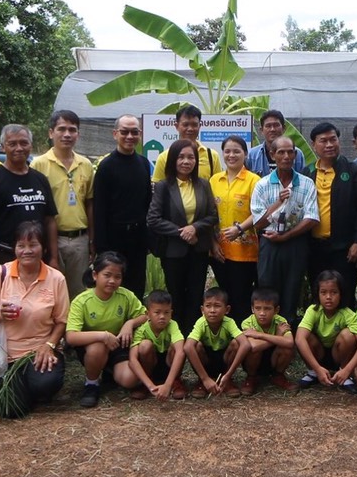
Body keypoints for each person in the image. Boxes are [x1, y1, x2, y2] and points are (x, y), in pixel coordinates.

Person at [0, 220, 71, 418]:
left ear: (43, 248)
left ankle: (33, 388)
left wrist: (49, 345)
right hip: (5, 353)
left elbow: (62, 321)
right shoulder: (0, 273)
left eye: (33, 245)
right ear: (14, 248)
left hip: (40, 350)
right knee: (9, 409)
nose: (26, 251)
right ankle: (20, 389)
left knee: (45, 384)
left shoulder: (56, 279)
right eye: (21, 245)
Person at [147, 138, 220, 333]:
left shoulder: (203, 184)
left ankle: (193, 335)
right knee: (176, 294)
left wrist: (195, 227)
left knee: (196, 294)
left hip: (199, 249)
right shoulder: (163, 186)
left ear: (196, 161)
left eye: (190, 157)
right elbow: (153, 219)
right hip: (173, 251)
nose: (186, 161)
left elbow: (213, 216)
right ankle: (176, 336)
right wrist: (183, 232)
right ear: (173, 160)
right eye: (181, 157)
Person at [0, 124, 58, 287]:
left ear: (30, 145)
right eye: (12, 144)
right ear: (3, 147)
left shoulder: (40, 179)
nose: (19, 148)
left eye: (24, 143)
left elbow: (50, 221)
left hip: (38, 257)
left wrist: (53, 257)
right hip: (3, 257)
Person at [249, 137, 319, 324]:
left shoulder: (306, 184)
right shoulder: (262, 185)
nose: (286, 156)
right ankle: (266, 331)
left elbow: (312, 218)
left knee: (292, 288)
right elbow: (258, 223)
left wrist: (286, 236)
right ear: (272, 155)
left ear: (295, 155)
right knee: (267, 289)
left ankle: (287, 333)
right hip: (269, 243)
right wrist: (277, 203)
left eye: (290, 152)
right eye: (281, 152)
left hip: (296, 243)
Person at [63, 251, 145, 408]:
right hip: (93, 348)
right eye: (107, 275)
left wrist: (130, 323)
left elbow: (145, 316)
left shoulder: (125, 296)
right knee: (97, 347)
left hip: (118, 346)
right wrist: (102, 335)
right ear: (95, 275)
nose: (112, 281)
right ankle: (91, 384)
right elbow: (71, 337)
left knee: (129, 380)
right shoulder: (82, 301)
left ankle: (109, 371)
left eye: (117, 277)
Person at [307, 122, 357, 307]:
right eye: (323, 141)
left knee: (344, 292)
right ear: (314, 145)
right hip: (315, 248)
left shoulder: (353, 171)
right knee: (318, 294)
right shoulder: (308, 172)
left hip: (344, 248)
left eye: (333, 139)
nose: (329, 145)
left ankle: (346, 334)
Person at [32, 109, 95, 298]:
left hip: (80, 240)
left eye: (72, 130)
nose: (67, 134)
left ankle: (74, 328)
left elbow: (90, 204)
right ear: (51, 133)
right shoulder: (39, 164)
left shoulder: (85, 165)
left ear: (78, 134)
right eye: (61, 129)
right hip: (52, 239)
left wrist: (92, 241)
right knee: (51, 292)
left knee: (78, 293)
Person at [93, 115, 154, 296]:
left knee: (136, 285)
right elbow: (99, 209)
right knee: (113, 285)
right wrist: (101, 246)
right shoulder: (106, 166)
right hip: (113, 238)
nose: (129, 136)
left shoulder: (143, 163)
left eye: (134, 132)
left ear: (140, 134)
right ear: (115, 134)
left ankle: (134, 323)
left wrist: (148, 238)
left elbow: (147, 203)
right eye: (124, 132)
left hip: (138, 238)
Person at [211, 135, 261, 323]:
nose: (231, 155)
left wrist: (240, 229)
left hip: (245, 252)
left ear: (245, 154)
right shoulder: (214, 180)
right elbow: (208, 215)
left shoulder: (254, 180)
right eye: (227, 151)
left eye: (236, 151)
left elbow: (260, 212)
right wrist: (212, 243)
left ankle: (244, 338)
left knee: (242, 297)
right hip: (219, 252)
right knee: (225, 296)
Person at [294, 270, 357, 392]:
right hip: (319, 353)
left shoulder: (347, 313)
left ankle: (343, 373)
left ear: (341, 294)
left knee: (348, 335)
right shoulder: (313, 310)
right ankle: (313, 372)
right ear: (317, 294)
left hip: (338, 354)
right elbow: (299, 339)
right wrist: (317, 368)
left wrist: (349, 369)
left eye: (334, 292)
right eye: (323, 292)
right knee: (303, 335)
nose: (328, 297)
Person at [122, 290, 187, 400]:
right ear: (148, 314)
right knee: (144, 345)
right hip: (151, 365)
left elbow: (180, 352)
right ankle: (146, 383)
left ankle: (175, 381)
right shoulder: (141, 330)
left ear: (171, 313)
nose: (162, 316)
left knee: (178, 345)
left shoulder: (172, 325)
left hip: (169, 365)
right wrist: (150, 386)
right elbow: (132, 360)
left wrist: (168, 385)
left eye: (166, 312)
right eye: (157, 312)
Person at [232, 287, 296, 393]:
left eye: (267, 308)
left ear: (276, 310)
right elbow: (253, 346)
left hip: (274, 358)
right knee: (254, 351)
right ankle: (251, 378)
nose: (262, 313)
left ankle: (278, 376)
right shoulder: (247, 322)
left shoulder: (280, 321)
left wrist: (258, 335)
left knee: (287, 349)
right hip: (255, 361)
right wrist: (278, 336)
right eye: (258, 308)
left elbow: (289, 342)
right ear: (252, 309)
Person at [185, 286, 244, 397]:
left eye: (217, 306)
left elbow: (245, 344)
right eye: (208, 306)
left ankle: (227, 381)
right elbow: (188, 347)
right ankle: (202, 382)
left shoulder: (229, 322)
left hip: (224, 361)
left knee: (236, 343)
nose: (212, 310)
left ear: (227, 310)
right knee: (196, 345)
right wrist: (205, 378)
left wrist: (228, 374)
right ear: (202, 310)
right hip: (206, 361)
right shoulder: (201, 323)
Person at [151, 104, 218, 182]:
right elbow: (158, 188)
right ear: (176, 126)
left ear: (200, 126)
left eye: (194, 125)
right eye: (185, 125)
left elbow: (217, 187)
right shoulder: (164, 157)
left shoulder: (212, 156)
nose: (190, 129)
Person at [248, 109, 308, 177]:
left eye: (276, 125)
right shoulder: (252, 155)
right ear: (261, 130)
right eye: (268, 126)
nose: (272, 129)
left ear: (284, 128)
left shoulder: (297, 154)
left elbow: (301, 179)